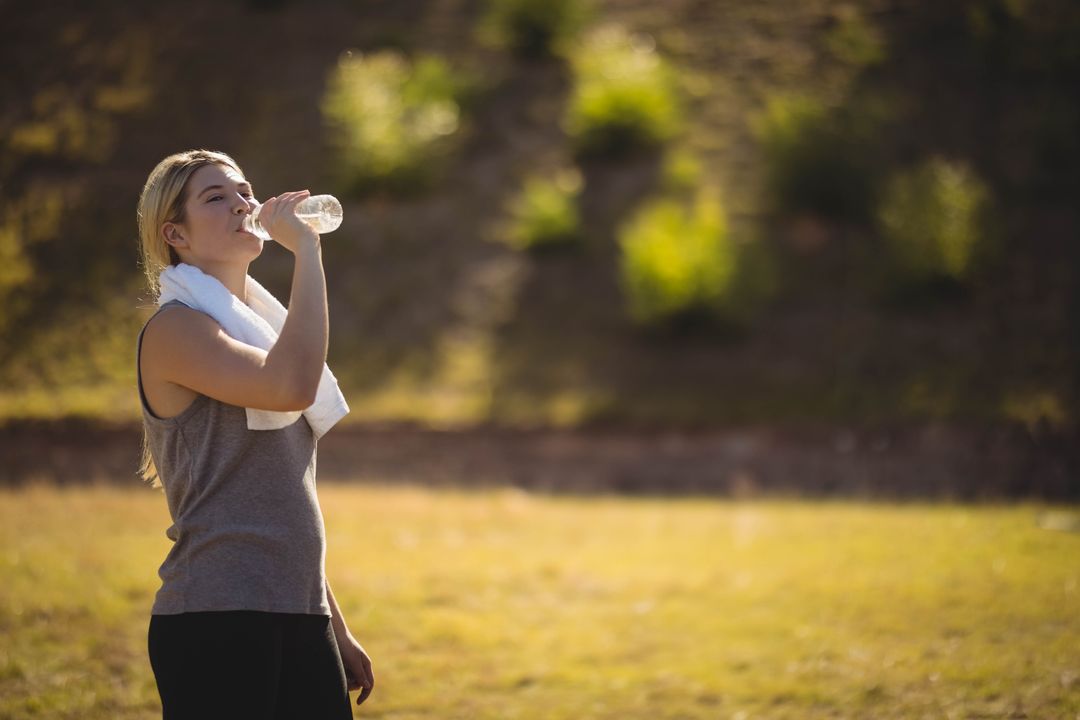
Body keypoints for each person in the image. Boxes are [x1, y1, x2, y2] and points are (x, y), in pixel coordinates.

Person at [134, 149, 374, 719]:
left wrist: (330, 622)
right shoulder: (176, 330)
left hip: (298, 611)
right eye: (216, 197)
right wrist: (308, 253)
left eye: (244, 190)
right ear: (176, 233)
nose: (244, 203)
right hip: (217, 617)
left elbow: (284, 502)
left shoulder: (262, 331)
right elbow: (291, 385)